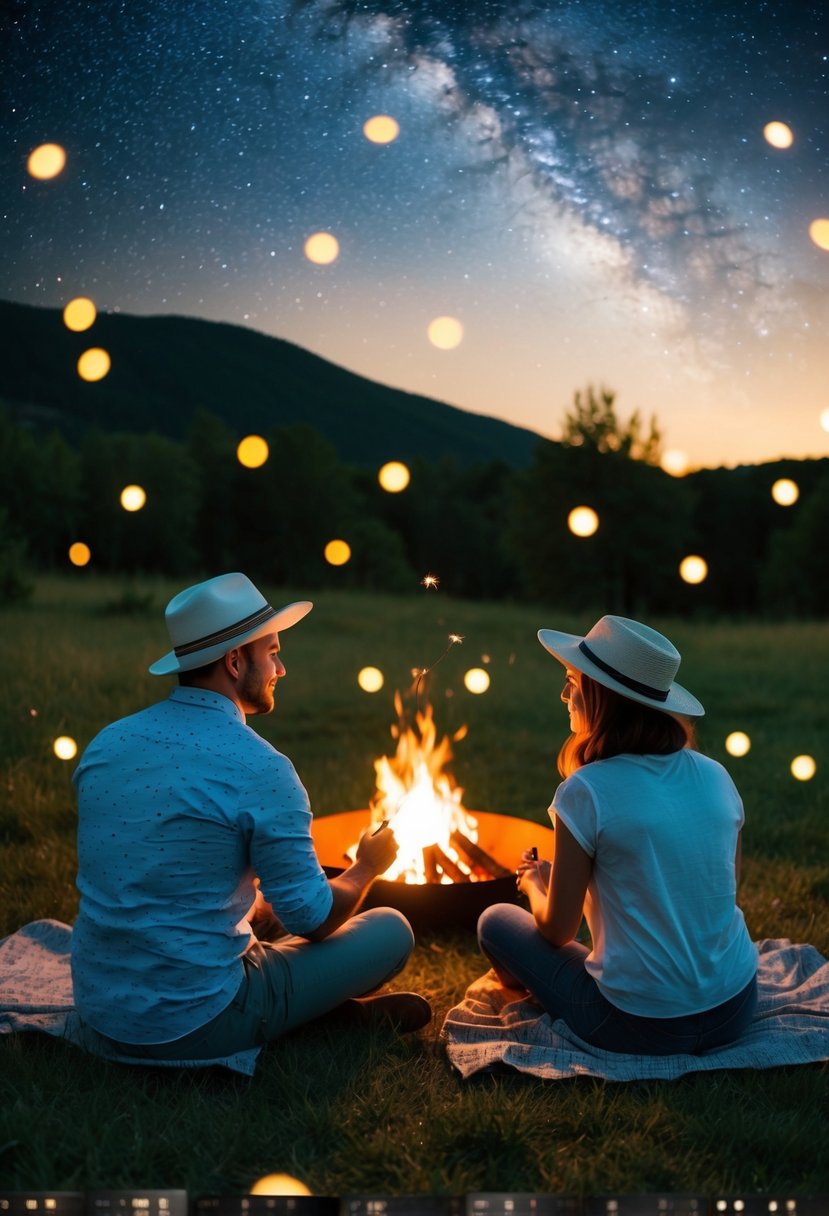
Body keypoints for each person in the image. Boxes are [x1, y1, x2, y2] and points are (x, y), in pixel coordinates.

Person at [70, 571, 431, 1066]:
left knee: (261, 912)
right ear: (236, 661)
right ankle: (308, 1017)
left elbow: (156, 867)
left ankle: (315, 1010)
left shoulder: (107, 743)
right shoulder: (261, 767)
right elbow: (314, 921)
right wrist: (368, 866)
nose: (281, 668)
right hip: (193, 1020)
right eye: (273, 652)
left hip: (102, 1010)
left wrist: (254, 903)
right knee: (391, 929)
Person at [477, 615, 758, 1055]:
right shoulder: (716, 775)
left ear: (599, 697)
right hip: (735, 1006)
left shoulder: (585, 791)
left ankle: (530, 985)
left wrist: (535, 885)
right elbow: (715, 889)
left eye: (572, 682)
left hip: (639, 1026)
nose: (564, 694)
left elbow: (556, 931)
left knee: (494, 921)